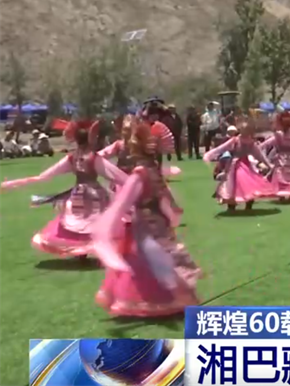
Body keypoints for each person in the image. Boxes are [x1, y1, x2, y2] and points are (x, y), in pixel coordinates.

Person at [89, 120, 202, 317]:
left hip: (156, 223)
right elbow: (126, 200)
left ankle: (169, 299)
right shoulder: (142, 172)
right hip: (147, 224)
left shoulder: (149, 169)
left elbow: (159, 190)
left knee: (162, 260)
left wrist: (172, 207)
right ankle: (172, 298)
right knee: (160, 260)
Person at [0, 119, 128, 259]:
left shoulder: (72, 157)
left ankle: (81, 252)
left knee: (77, 221)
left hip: (78, 193)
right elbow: (114, 174)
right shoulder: (93, 158)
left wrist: (22, 181)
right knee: (94, 221)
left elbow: (47, 174)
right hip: (94, 194)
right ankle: (89, 250)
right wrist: (133, 182)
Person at [203, 119, 276, 212]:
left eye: (247, 131)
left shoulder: (250, 143)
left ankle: (248, 203)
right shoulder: (235, 141)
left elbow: (259, 155)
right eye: (244, 130)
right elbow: (222, 148)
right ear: (240, 130)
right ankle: (232, 205)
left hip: (245, 165)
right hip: (234, 165)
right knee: (231, 185)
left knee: (247, 184)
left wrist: (268, 164)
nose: (246, 133)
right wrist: (210, 154)